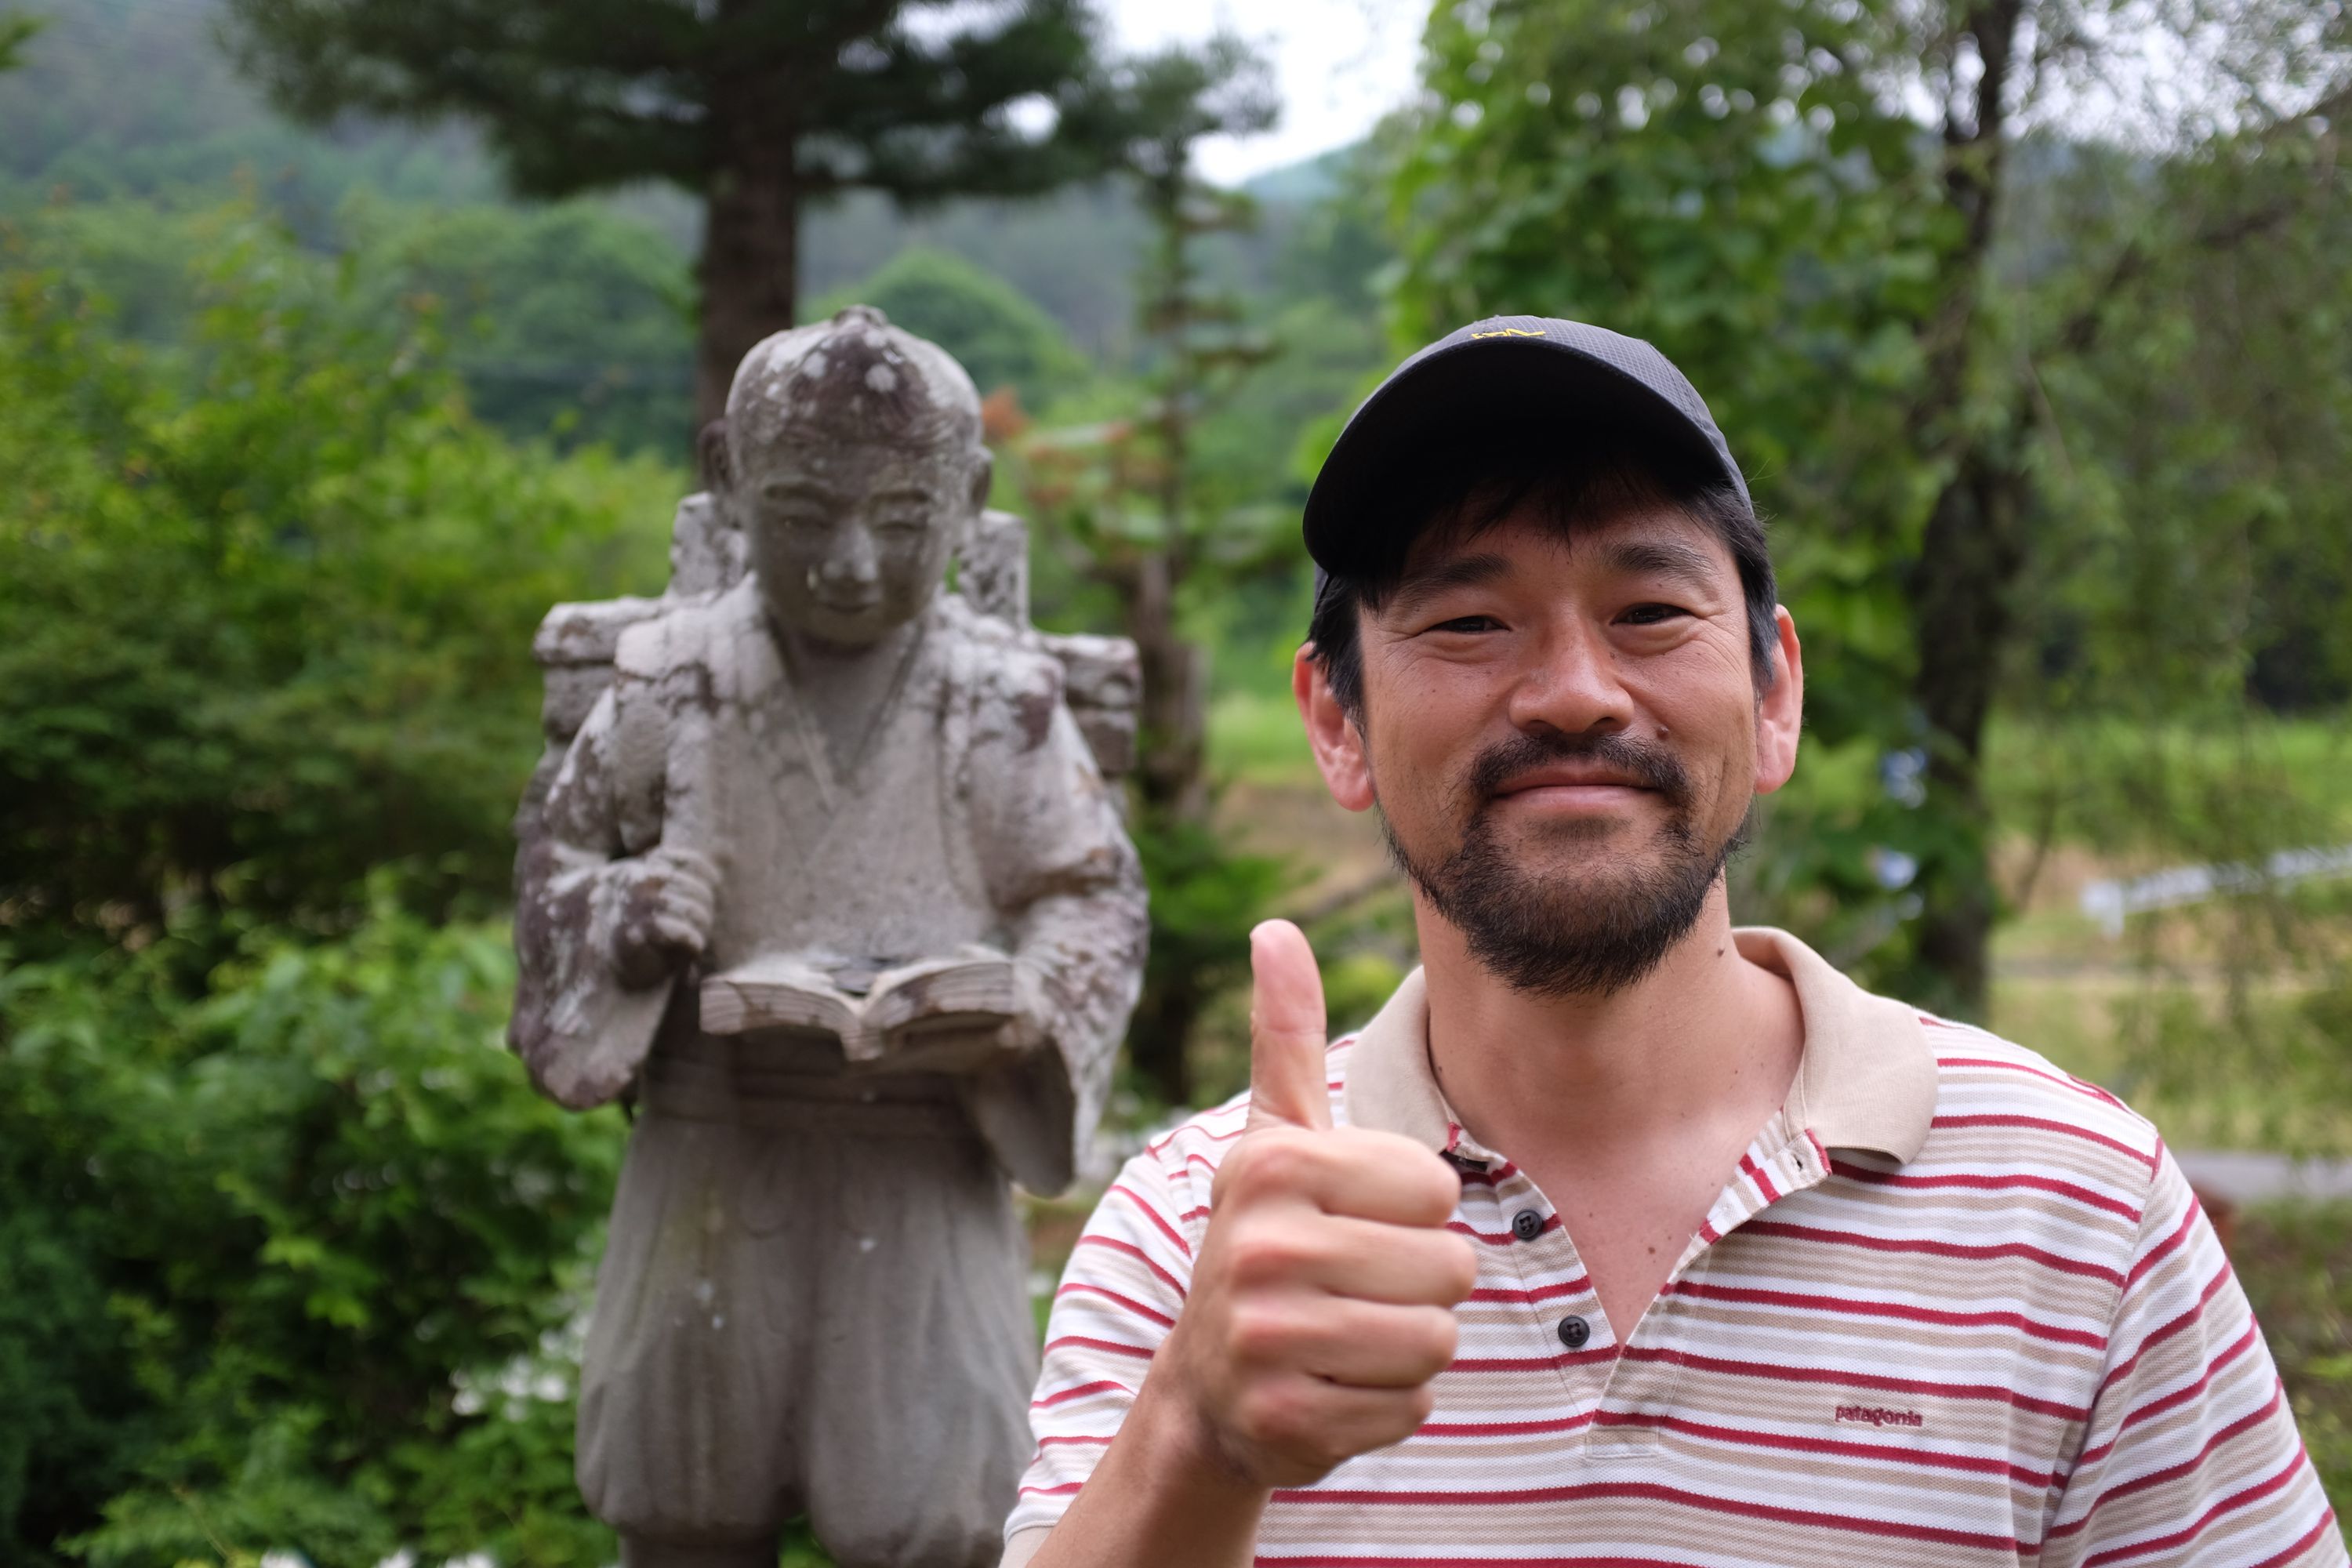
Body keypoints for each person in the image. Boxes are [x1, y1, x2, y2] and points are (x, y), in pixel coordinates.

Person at [1003, 317, 2345, 1567]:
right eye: (1470, 622)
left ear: (1775, 694)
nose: (1577, 692)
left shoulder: (2078, 1211)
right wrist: (1196, 1430)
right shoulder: (1196, 1234)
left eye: (1650, 613)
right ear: (1337, 721)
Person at [511, 307, 1148, 1568]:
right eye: (806, 517)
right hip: (713, 1149)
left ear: (964, 502)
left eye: (902, 524)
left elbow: (1092, 892)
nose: (853, 562)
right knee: (683, 1507)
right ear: (728, 482)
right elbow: (555, 859)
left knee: (937, 1520)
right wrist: (621, 917)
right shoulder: (665, 684)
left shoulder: (1000, 702)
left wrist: (1020, 1006)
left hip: (924, 1161)